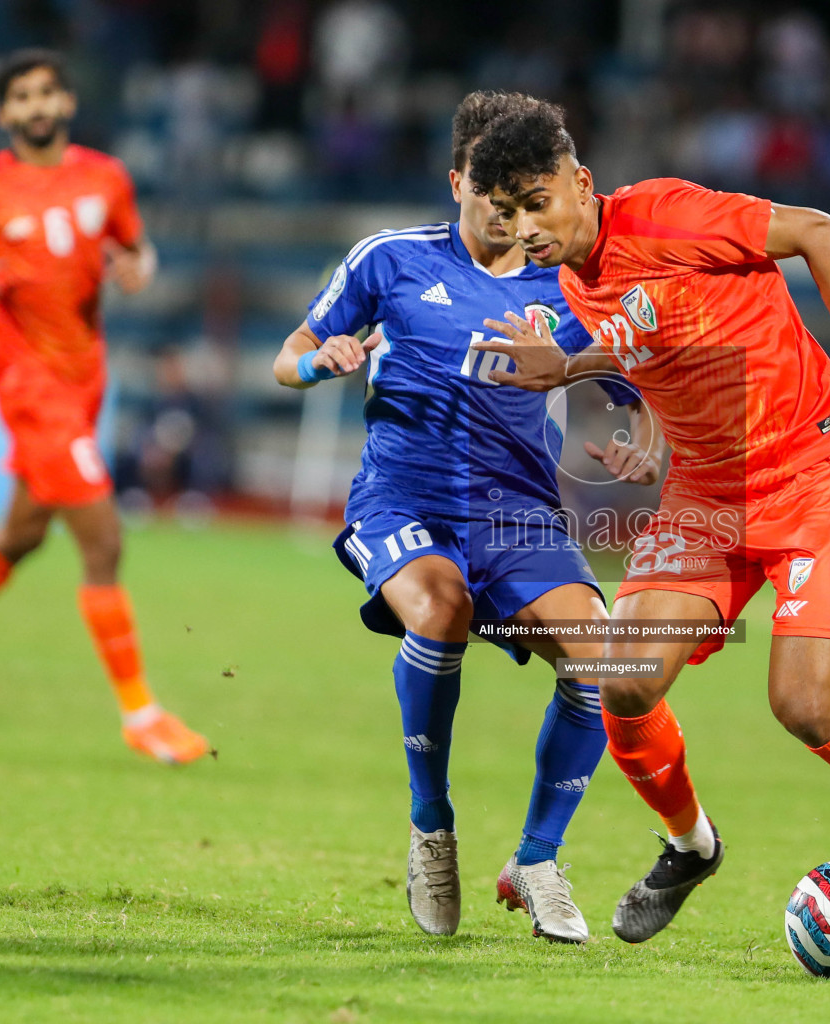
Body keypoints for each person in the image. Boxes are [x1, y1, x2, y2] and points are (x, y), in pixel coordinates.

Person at [466, 96, 830, 972]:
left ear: (581, 184)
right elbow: (655, 339)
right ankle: (692, 846)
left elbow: (823, 232)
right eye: (509, 213)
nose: (527, 227)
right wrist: (573, 370)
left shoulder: (667, 214)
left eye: (539, 202)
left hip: (809, 472)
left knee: (805, 707)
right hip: (707, 496)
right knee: (621, 680)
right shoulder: (574, 282)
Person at [271, 91, 659, 943]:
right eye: (494, 192)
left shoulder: (569, 280)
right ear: (458, 181)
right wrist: (322, 363)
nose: (509, 212)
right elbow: (288, 357)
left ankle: (538, 858)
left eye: (526, 193)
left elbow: (643, 387)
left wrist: (640, 436)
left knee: (605, 660)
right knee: (440, 607)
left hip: (517, 516)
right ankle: (431, 826)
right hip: (402, 501)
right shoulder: (392, 261)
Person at [0, 50, 209, 765]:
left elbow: (138, 250)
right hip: (28, 385)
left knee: (24, 533)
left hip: (82, 379)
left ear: (65, 102)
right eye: (22, 97)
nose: (36, 106)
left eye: (47, 93)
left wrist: (137, 269)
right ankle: (140, 713)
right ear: (4, 114)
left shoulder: (106, 177)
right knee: (103, 542)